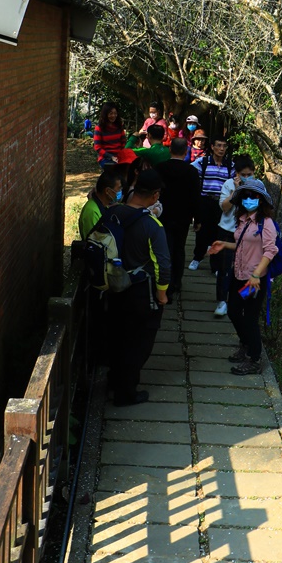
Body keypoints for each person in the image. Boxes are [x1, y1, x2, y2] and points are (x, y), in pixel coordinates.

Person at [106, 169, 170, 406]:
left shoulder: (113, 213)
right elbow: (163, 263)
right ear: (155, 195)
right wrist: (162, 294)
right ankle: (126, 394)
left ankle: (114, 381)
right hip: (141, 292)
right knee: (139, 344)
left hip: (114, 286)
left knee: (118, 337)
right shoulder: (152, 225)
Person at [209, 178, 277, 375]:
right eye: (245, 196)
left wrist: (256, 275)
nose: (248, 199)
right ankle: (245, 344)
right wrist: (224, 244)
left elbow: (269, 251)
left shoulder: (267, 223)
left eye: (253, 196)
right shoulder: (242, 219)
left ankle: (254, 359)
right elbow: (243, 244)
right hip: (240, 275)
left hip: (253, 281)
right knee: (233, 311)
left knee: (249, 318)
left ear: (261, 200)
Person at [157, 138, 202, 300]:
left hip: (163, 215)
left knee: (165, 249)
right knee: (179, 249)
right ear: (185, 152)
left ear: (170, 150)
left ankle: (165, 283)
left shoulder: (160, 168)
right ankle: (177, 281)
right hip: (183, 216)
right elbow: (196, 196)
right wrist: (197, 219)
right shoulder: (191, 171)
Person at [188, 137, 235, 293]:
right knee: (202, 230)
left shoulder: (231, 165)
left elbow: (237, 179)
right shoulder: (203, 162)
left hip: (221, 203)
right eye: (219, 145)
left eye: (224, 146)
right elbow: (191, 170)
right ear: (212, 147)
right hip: (205, 200)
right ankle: (197, 257)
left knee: (218, 233)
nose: (221, 149)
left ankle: (215, 265)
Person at [212, 155, 256, 316]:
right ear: (236, 174)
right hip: (227, 231)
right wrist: (236, 192)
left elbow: (254, 210)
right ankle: (222, 301)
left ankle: (239, 301)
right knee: (224, 268)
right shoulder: (228, 185)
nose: (245, 178)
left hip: (248, 234)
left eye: (248, 174)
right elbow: (224, 208)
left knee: (245, 268)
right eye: (242, 175)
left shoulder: (258, 187)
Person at [78, 166, 126, 240]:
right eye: (119, 188)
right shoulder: (91, 211)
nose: (120, 191)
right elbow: (94, 240)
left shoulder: (105, 206)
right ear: (107, 191)